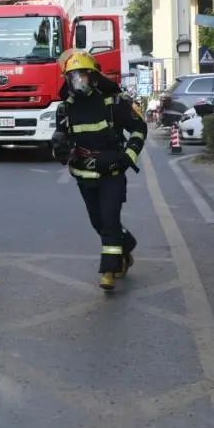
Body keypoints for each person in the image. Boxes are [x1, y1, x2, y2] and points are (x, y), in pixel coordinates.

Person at [51, 50, 145, 291]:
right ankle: (126, 247)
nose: (78, 82)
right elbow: (63, 136)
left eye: (82, 76)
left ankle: (109, 271)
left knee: (110, 220)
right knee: (98, 222)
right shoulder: (65, 108)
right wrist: (59, 147)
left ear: (93, 77)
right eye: (73, 77)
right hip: (84, 175)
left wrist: (128, 157)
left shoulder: (114, 103)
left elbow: (139, 128)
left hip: (112, 172)